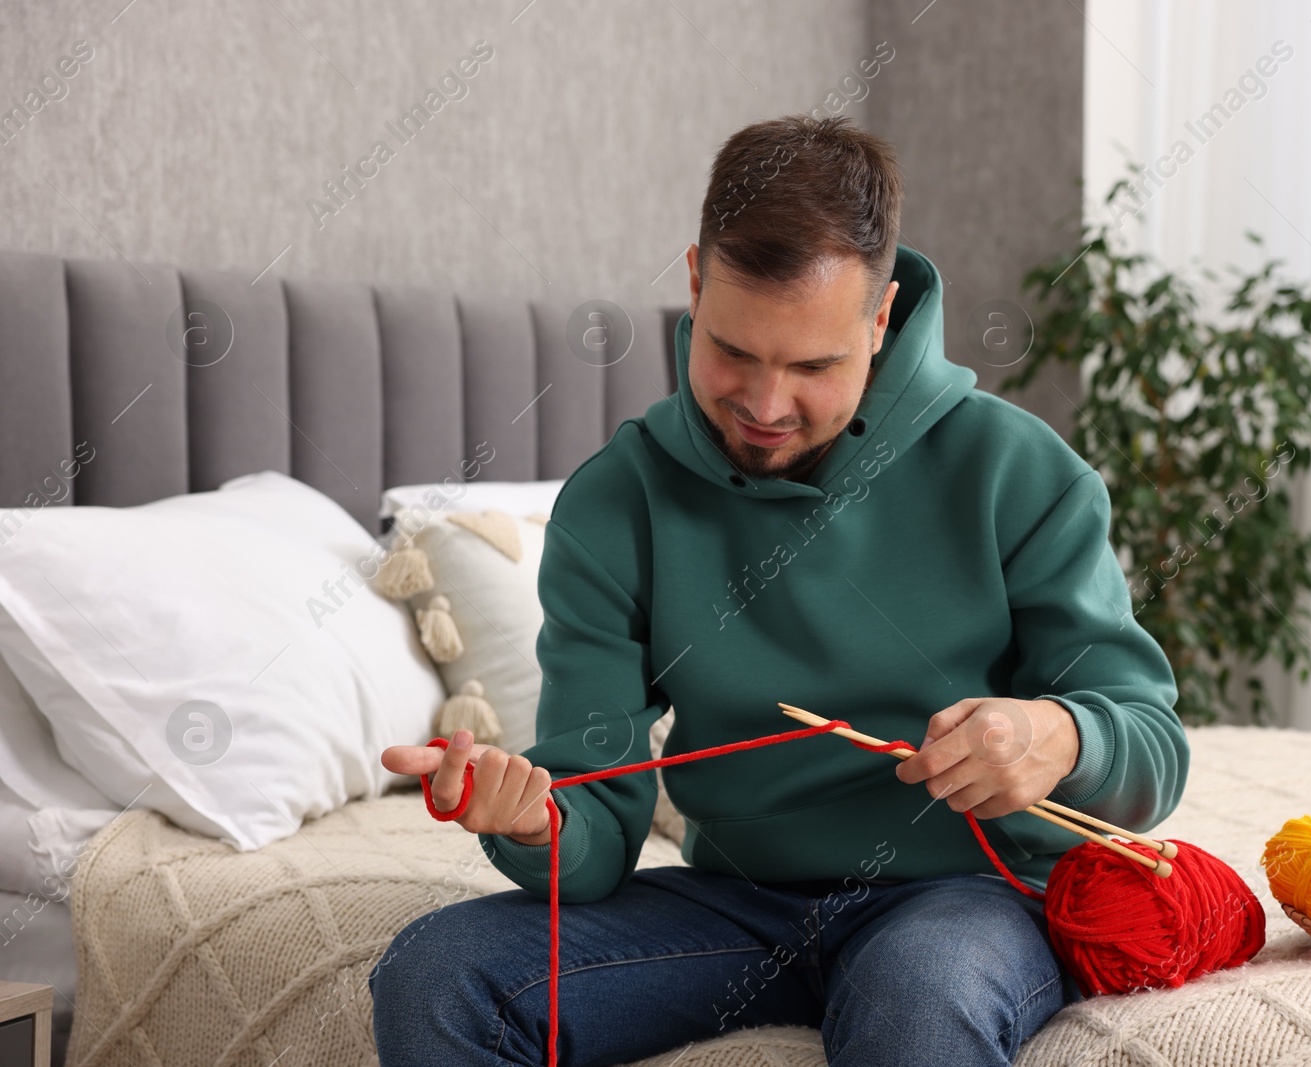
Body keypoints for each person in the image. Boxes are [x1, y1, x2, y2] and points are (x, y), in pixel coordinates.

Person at [369, 113, 1186, 1067]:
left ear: (880, 321)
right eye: (733, 352)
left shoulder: (1021, 474)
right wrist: (531, 821)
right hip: (737, 904)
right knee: (438, 974)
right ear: (694, 281)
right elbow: (596, 835)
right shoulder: (616, 503)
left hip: (964, 897)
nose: (764, 406)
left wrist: (1060, 737)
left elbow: (1153, 751)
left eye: (813, 366)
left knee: (918, 1002)